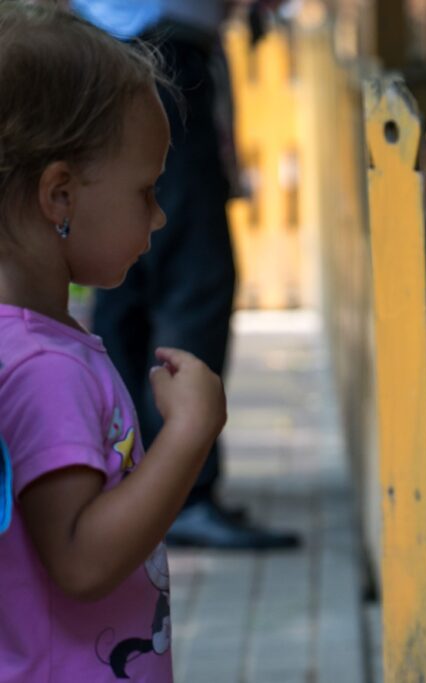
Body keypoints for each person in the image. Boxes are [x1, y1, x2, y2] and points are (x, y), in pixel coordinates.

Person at [0, 3, 224, 679]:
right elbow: (81, 558)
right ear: (59, 197)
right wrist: (188, 432)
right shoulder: (42, 366)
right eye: (145, 190)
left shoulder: (40, 342)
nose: (158, 216)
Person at [71, 0, 299, 549]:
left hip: (102, 42)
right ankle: (180, 494)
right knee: (191, 276)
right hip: (157, 46)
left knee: (127, 279)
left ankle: (127, 477)